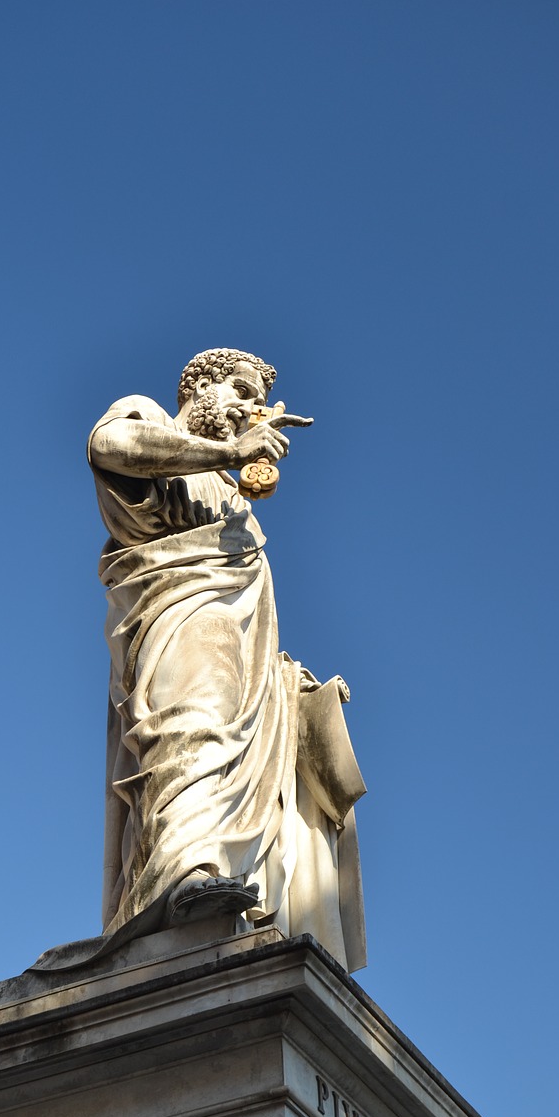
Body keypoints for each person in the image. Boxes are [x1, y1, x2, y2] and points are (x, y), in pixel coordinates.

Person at [86, 348, 367, 971]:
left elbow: (253, 631)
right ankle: (184, 876)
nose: (246, 411)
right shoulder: (149, 418)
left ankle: (213, 881)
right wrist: (229, 454)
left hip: (238, 659)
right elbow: (110, 445)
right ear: (200, 385)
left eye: (253, 403)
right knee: (190, 731)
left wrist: (294, 690)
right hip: (175, 616)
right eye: (238, 392)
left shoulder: (235, 504)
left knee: (215, 737)